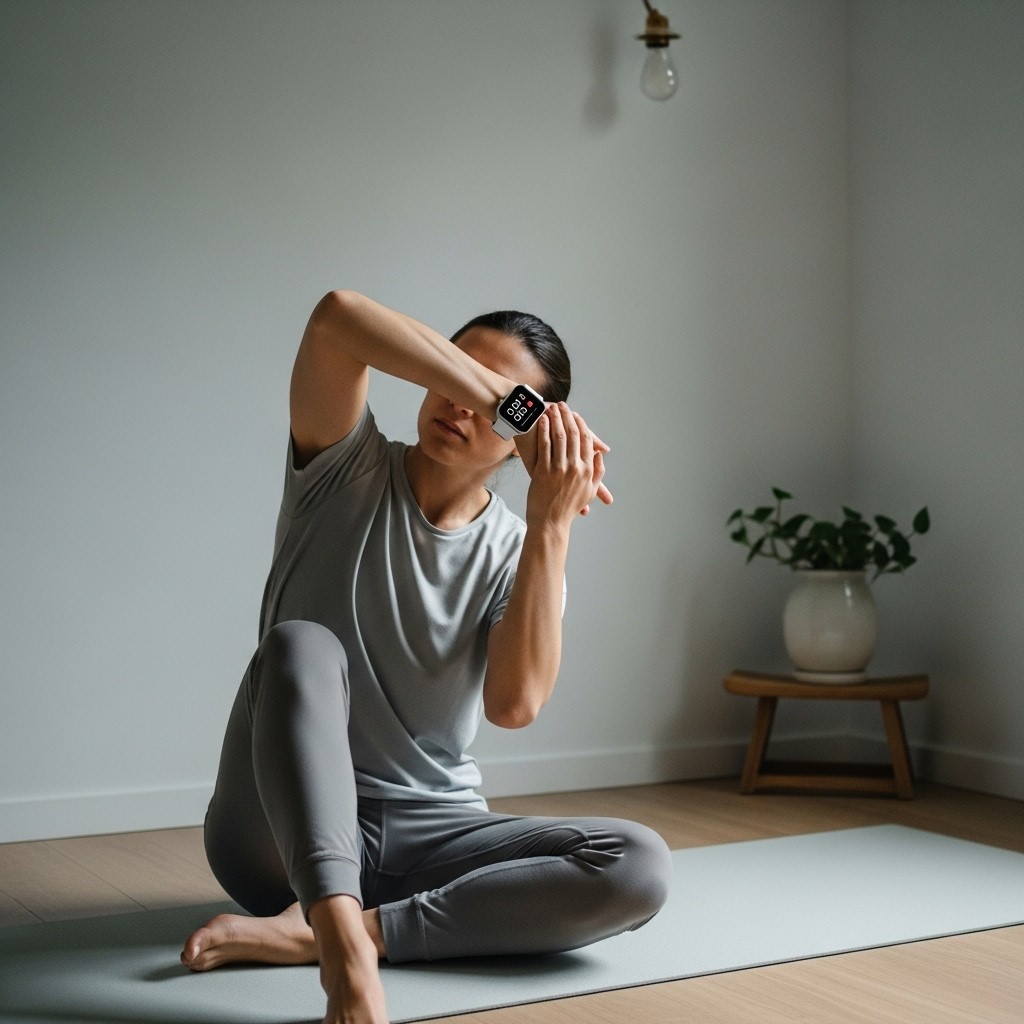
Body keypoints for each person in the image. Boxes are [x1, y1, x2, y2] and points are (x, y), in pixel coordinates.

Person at [179, 290, 672, 1024]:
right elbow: (337, 319)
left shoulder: (518, 549)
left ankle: (333, 931)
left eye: (507, 411)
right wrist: (508, 397)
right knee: (302, 645)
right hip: (273, 834)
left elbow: (515, 705)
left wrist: (550, 527)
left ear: (525, 441)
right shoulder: (344, 464)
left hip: (427, 832)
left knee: (639, 864)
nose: (466, 407)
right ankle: (343, 951)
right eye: (460, 376)